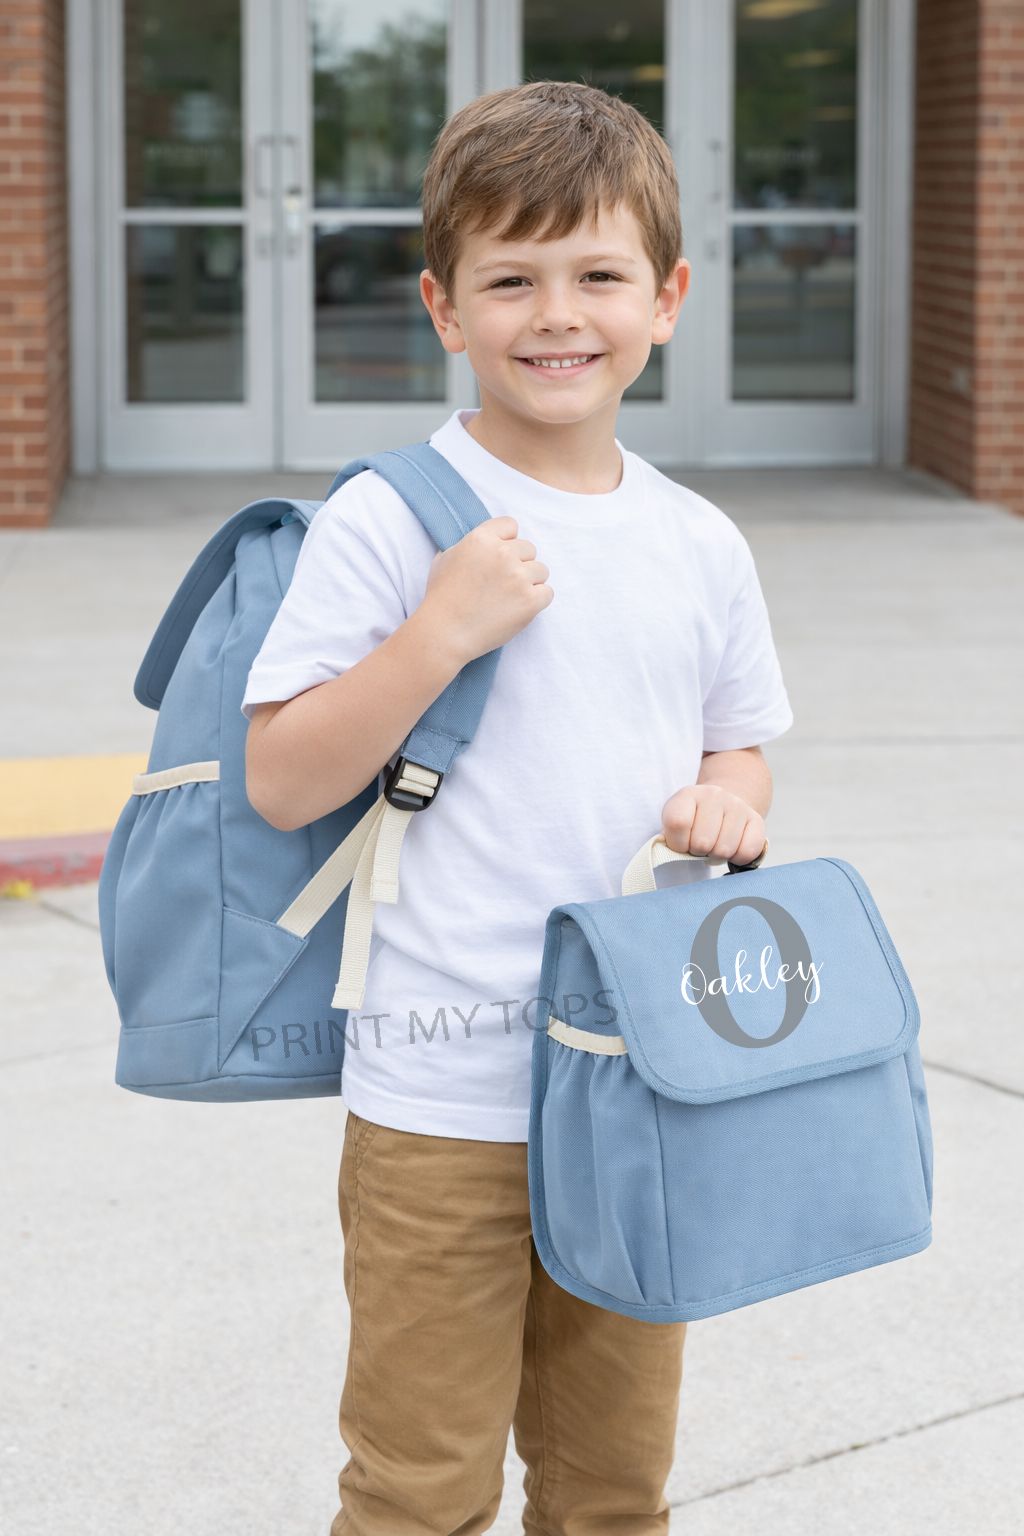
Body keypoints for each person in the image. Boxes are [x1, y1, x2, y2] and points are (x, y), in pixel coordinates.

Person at [242, 79, 793, 1536]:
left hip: (639, 1080)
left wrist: (725, 806)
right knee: (420, 1486)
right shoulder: (393, 517)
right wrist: (439, 632)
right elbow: (284, 773)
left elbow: (742, 747)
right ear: (443, 305)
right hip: (441, 1097)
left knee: (616, 1484)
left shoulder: (696, 541)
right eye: (512, 278)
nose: (559, 314)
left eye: (600, 274)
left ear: (666, 297)